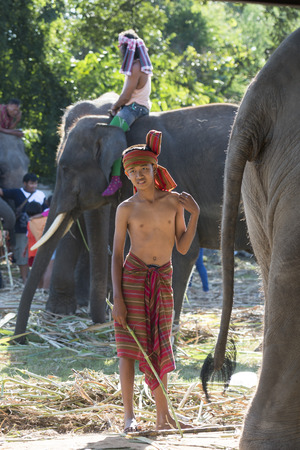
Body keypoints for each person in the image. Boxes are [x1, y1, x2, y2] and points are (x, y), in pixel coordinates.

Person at [112, 130, 200, 432]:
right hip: (133, 278)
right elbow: (116, 255)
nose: (139, 176)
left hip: (162, 277)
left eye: (144, 169)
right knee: (129, 348)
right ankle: (129, 417)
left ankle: (164, 417)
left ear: (155, 169)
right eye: (132, 172)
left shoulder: (174, 203)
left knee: (160, 344)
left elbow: (183, 247)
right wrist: (118, 300)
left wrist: (196, 214)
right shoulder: (125, 209)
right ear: (127, 175)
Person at [102, 29, 152, 197]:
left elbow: (126, 95)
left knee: (113, 135)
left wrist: (114, 107)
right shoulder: (141, 64)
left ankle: (116, 178)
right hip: (140, 106)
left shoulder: (136, 67)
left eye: (121, 47)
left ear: (126, 48)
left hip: (133, 109)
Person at [0, 173, 46, 282]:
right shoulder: (17, 192)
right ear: (25, 183)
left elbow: (46, 210)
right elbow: (2, 192)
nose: (34, 186)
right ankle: (25, 279)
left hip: (38, 229)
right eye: (31, 183)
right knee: (22, 254)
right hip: (21, 230)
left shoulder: (41, 194)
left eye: (35, 183)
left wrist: (36, 217)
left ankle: (38, 279)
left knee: (39, 253)